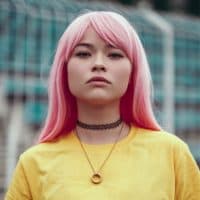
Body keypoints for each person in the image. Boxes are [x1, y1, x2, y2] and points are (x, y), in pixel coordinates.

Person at [5, 11, 200, 200]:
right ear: (64, 70)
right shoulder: (33, 162)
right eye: (83, 54)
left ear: (133, 71)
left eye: (114, 55)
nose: (98, 64)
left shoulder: (172, 153)